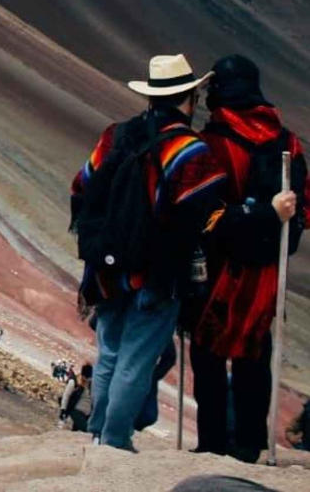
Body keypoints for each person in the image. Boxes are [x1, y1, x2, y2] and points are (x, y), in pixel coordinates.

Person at [71, 54, 226, 452]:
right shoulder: (191, 151)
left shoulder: (116, 135)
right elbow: (205, 214)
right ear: (188, 99)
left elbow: (82, 185)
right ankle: (116, 439)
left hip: (106, 270)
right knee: (137, 359)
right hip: (157, 274)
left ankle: (98, 432)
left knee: (108, 354)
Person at [190, 55, 307, 463]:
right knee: (254, 351)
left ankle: (212, 441)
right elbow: (302, 206)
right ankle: (250, 442)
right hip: (264, 271)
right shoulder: (286, 142)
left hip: (219, 267)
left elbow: (204, 210)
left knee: (208, 352)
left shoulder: (212, 143)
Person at [60, 364, 93, 432]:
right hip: (76, 410)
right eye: (86, 377)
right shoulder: (74, 382)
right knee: (86, 430)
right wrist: (63, 410)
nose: (88, 380)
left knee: (76, 432)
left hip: (87, 414)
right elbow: (66, 396)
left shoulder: (92, 384)